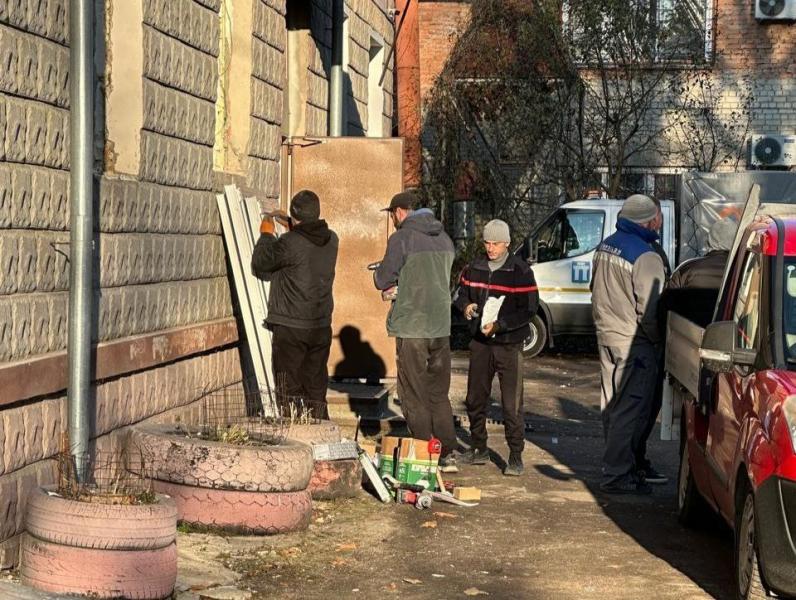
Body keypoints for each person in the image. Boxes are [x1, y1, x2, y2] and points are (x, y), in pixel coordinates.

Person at [372, 191, 459, 472]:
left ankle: (423, 449)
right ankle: (446, 451)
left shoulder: (402, 238)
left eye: (392, 214)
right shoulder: (445, 238)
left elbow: (383, 278)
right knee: (438, 391)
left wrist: (383, 279)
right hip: (441, 326)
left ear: (400, 212)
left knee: (412, 392)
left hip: (413, 327)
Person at [591, 194, 665, 495]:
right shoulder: (646, 255)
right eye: (656, 217)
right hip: (633, 342)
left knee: (611, 404)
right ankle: (617, 474)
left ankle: (616, 465)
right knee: (629, 409)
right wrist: (659, 340)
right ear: (649, 220)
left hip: (606, 334)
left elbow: (593, 288)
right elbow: (650, 309)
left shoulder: (606, 244)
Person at [453, 219, 539, 476]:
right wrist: (465, 307)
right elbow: (459, 294)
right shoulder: (473, 268)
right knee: (474, 398)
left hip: (509, 345)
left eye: (496, 244)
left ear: (507, 244)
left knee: (511, 403)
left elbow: (529, 309)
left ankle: (515, 455)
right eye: (487, 243)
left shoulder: (521, 271)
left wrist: (500, 326)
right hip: (480, 343)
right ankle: (479, 447)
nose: (491, 248)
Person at [252, 190, 339, 419]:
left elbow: (262, 262)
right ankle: (321, 437)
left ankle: (294, 437)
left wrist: (267, 235)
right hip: (320, 326)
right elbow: (307, 247)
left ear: (295, 215)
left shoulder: (289, 242)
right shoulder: (332, 240)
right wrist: (294, 225)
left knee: (288, 389)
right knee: (315, 388)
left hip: (291, 327)